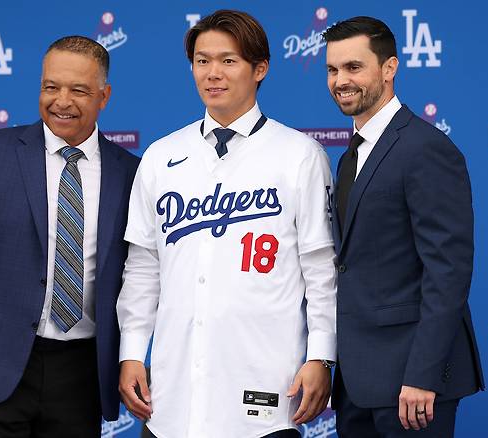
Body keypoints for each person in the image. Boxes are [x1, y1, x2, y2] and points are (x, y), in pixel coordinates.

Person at [116, 9, 337, 438]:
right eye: (202, 61)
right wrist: (131, 352)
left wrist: (321, 355)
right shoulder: (161, 156)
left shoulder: (300, 155)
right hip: (173, 402)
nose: (212, 73)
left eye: (228, 60)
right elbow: (143, 267)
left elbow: (320, 268)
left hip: (265, 392)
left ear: (260, 69)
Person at [0, 35, 139, 437]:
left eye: (78, 90)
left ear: (104, 96)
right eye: (51, 86)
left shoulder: (131, 172)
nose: (61, 101)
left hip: (81, 374)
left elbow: (139, 276)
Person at [323, 16, 485, 437]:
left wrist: (422, 375)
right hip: (358, 384)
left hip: (412, 386)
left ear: (389, 68)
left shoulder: (426, 148)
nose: (341, 80)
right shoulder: (350, 157)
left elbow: (448, 271)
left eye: (353, 67)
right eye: (333, 69)